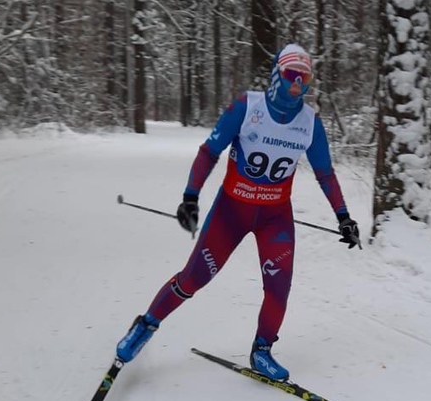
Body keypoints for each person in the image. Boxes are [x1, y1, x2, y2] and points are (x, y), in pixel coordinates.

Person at [115, 43, 360, 381]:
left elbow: (325, 174)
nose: (296, 86)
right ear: (276, 74)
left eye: (305, 79)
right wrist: (190, 197)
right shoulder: (247, 107)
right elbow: (209, 151)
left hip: (274, 217)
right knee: (194, 278)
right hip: (232, 211)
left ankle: (262, 351)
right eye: (291, 76)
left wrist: (344, 217)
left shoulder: (310, 123)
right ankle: (145, 325)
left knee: (279, 287)